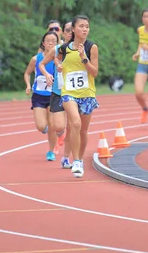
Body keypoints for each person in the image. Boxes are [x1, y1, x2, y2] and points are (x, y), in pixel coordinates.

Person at [43, 15, 99, 178]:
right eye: (81, 26)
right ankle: (75, 161)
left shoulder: (91, 47)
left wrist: (84, 58)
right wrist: (59, 66)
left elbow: (94, 72)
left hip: (87, 93)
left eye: (87, 26)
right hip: (68, 92)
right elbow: (55, 58)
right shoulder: (64, 48)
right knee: (75, 122)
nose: (85, 29)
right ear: (73, 29)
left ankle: (80, 160)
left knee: (83, 130)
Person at [40, 21, 74, 168]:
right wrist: (48, 74)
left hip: (76, 93)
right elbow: (42, 63)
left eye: (71, 30)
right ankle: (63, 140)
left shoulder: (84, 48)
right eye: (67, 30)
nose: (69, 33)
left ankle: (71, 159)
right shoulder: (57, 48)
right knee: (59, 127)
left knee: (75, 126)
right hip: (58, 92)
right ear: (64, 33)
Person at [23, 31, 58, 161]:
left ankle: (51, 151)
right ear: (43, 43)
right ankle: (47, 129)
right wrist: (28, 85)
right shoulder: (36, 59)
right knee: (41, 126)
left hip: (53, 95)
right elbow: (27, 73)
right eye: (48, 41)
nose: (50, 43)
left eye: (54, 41)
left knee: (53, 126)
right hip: (38, 95)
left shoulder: (58, 58)